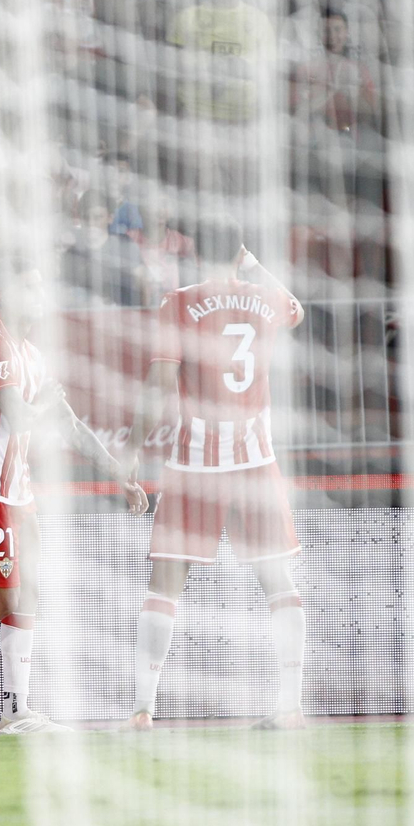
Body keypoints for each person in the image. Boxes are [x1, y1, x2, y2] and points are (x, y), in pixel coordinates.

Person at [0, 267, 148, 735]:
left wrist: (118, 472)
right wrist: (47, 406)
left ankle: (16, 710)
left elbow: (71, 424)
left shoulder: (32, 355)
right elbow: (18, 415)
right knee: (6, 594)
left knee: (27, 590)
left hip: (19, 490)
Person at [123, 221, 307, 731]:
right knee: (278, 584)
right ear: (241, 252)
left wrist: (130, 451)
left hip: (197, 462)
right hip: (255, 458)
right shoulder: (265, 297)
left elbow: (160, 381)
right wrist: (251, 262)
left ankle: (143, 708)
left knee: (165, 585)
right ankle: (290, 706)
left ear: (193, 248)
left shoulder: (178, 302)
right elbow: (298, 309)